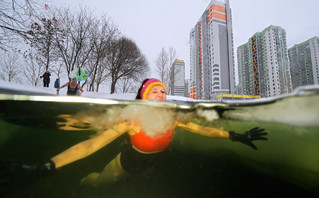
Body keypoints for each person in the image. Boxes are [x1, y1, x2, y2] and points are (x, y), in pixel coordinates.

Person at [17, 78, 268, 187]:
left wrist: (236, 136)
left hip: (160, 158)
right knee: (99, 182)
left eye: (163, 91)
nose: (161, 95)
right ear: (144, 96)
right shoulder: (132, 120)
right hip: (131, 160)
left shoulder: (174, 118)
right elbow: (90, 145)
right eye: (155, 92)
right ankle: (83, 184)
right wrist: (49, 165)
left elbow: (204, 130)